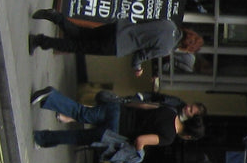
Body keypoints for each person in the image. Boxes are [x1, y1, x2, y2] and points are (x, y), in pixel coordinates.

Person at [28, 12, 205, 76]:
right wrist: (137, 69)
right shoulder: (167, 47)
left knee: (83, 34)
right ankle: (41, 40)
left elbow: (144, 21)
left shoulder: (169, 23)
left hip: (119, 28)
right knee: (77, 46)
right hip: (118, 45)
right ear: (186, 48)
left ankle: (56, 17)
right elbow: (140, 55)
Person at [31, 89, 206, 152]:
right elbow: (141, 140)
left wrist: (124, 105)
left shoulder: (170, 111)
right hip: (117, 131)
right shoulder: (168, 137)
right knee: (79, 137)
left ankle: (51, 97)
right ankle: (42, 138)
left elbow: (143, 106)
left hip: (119, 111)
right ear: (189, 136)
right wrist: (139, 151)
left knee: (82, 112)